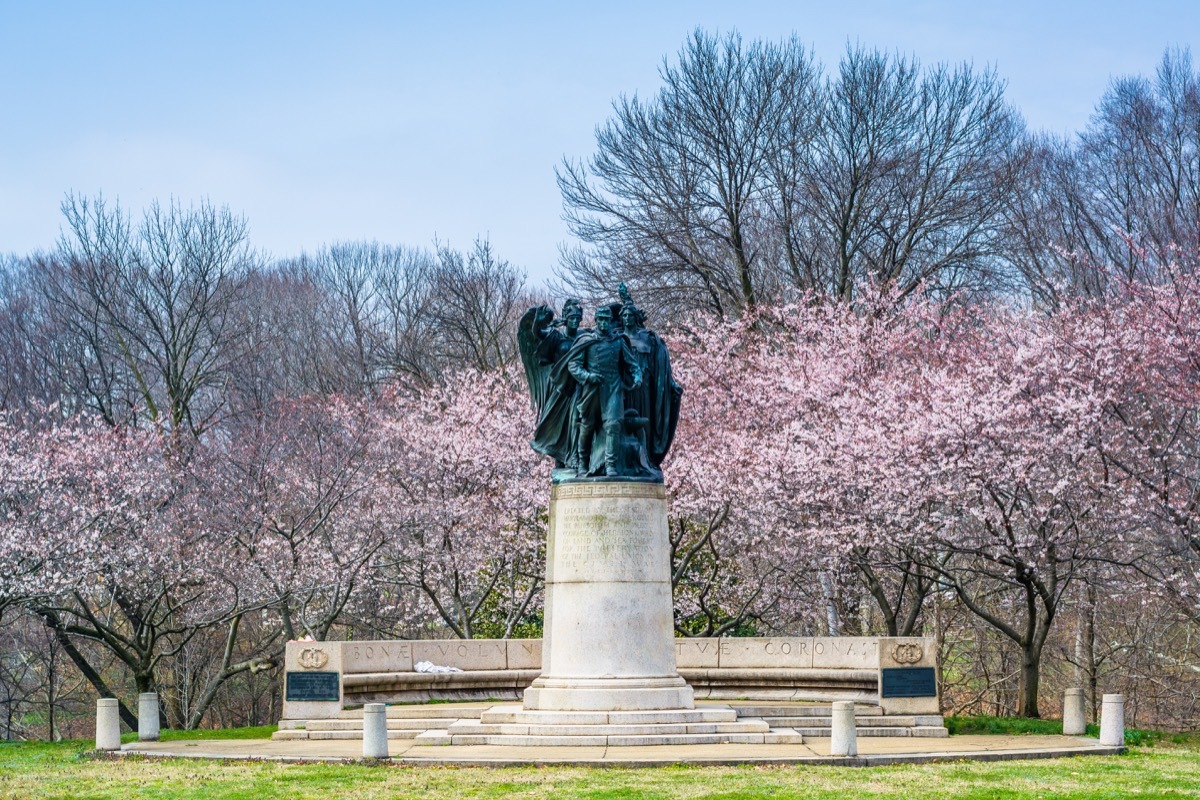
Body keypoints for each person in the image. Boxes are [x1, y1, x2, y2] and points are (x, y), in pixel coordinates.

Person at [566, 307, 642, 476]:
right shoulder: (587, 340)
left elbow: (632, 363)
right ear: (596, 320)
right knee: (587, 426)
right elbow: (573, 365)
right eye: (600, 319)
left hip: (613, 388)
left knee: (613, 425)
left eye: (606, 319)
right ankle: (583, 462)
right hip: (591, 389)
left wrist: (637, 376)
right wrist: (587, 376)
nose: (604, 323)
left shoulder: (618, 341)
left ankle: (610, 465)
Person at [618, 302, 682, 469]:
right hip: (624, 388)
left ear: (635, 317)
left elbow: (661, 367)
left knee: (644, 421)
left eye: (630, 315)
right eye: (624, 315)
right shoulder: (617, 339)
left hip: (644, 389)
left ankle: (644, 458)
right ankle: (623, 460)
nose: (627, 318)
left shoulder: (648, 339)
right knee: (621, 424)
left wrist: (671, 384)